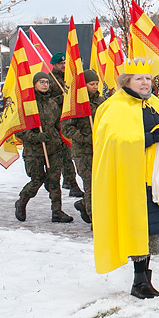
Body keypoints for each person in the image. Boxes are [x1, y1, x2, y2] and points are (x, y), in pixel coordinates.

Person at [92, 58, 159, 299]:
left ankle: (146, 280)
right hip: (132, 181)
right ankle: (139, 282)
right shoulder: (115, 106)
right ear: (126, 81)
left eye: (148, 78)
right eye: (139, 79)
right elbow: (116, 141)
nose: (145, 83)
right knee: (139, 228)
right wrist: (153, 138)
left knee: (151, 229)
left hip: (156, 178)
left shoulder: (153, 103)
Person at [14, 71, 72, 223]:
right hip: (34, 151)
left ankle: (57, 211)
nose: (45, 85)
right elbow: (19, 130)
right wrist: (35, 137)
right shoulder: (28, 104)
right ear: (34, 84)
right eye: (41, 82)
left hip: (54, 148)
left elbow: (58, 124)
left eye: (47, 82)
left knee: (54, 180)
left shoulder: (52, 103)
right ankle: (22, 201)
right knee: (37, 180)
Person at [61, 70, 106, 224]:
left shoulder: (101, 101)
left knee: (101, 185)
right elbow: (66, 127)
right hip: (83, 152)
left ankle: (84, 205)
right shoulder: (76, 104)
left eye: (96, 84)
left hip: (100, 149)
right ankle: (96, 221)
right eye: (91, 84)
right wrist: (86, 138)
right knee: (90, 185)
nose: (94, 87)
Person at [48, 52, 83, 198]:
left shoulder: (69, 78)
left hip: (70, 120)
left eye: (64, 63)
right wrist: (62, 98)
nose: (63, 66)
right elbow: (47, 102)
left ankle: (69, 180)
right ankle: (71, 183)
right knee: (65, 154)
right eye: (60, 64)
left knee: (69, 152)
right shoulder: (50, 80)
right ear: (54, 64)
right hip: (57, 122)